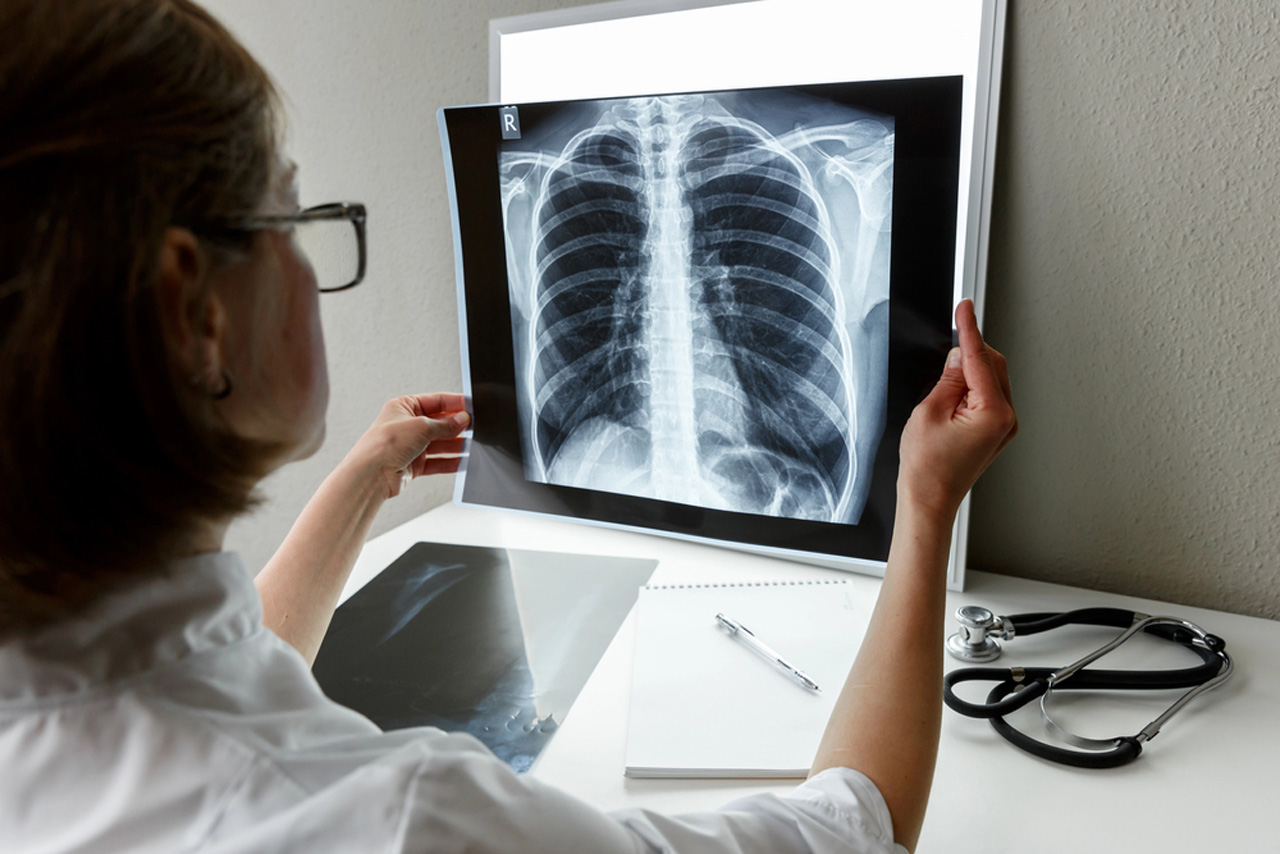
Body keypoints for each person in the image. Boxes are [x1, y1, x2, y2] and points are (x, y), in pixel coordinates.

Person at [0, 1, 1017, 851]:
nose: (312, 266)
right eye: (291, 218)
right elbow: (853, 826)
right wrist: (921, 502)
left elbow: (202, 674)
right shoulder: (401, 820)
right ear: (195, 311)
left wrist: (362, 477)